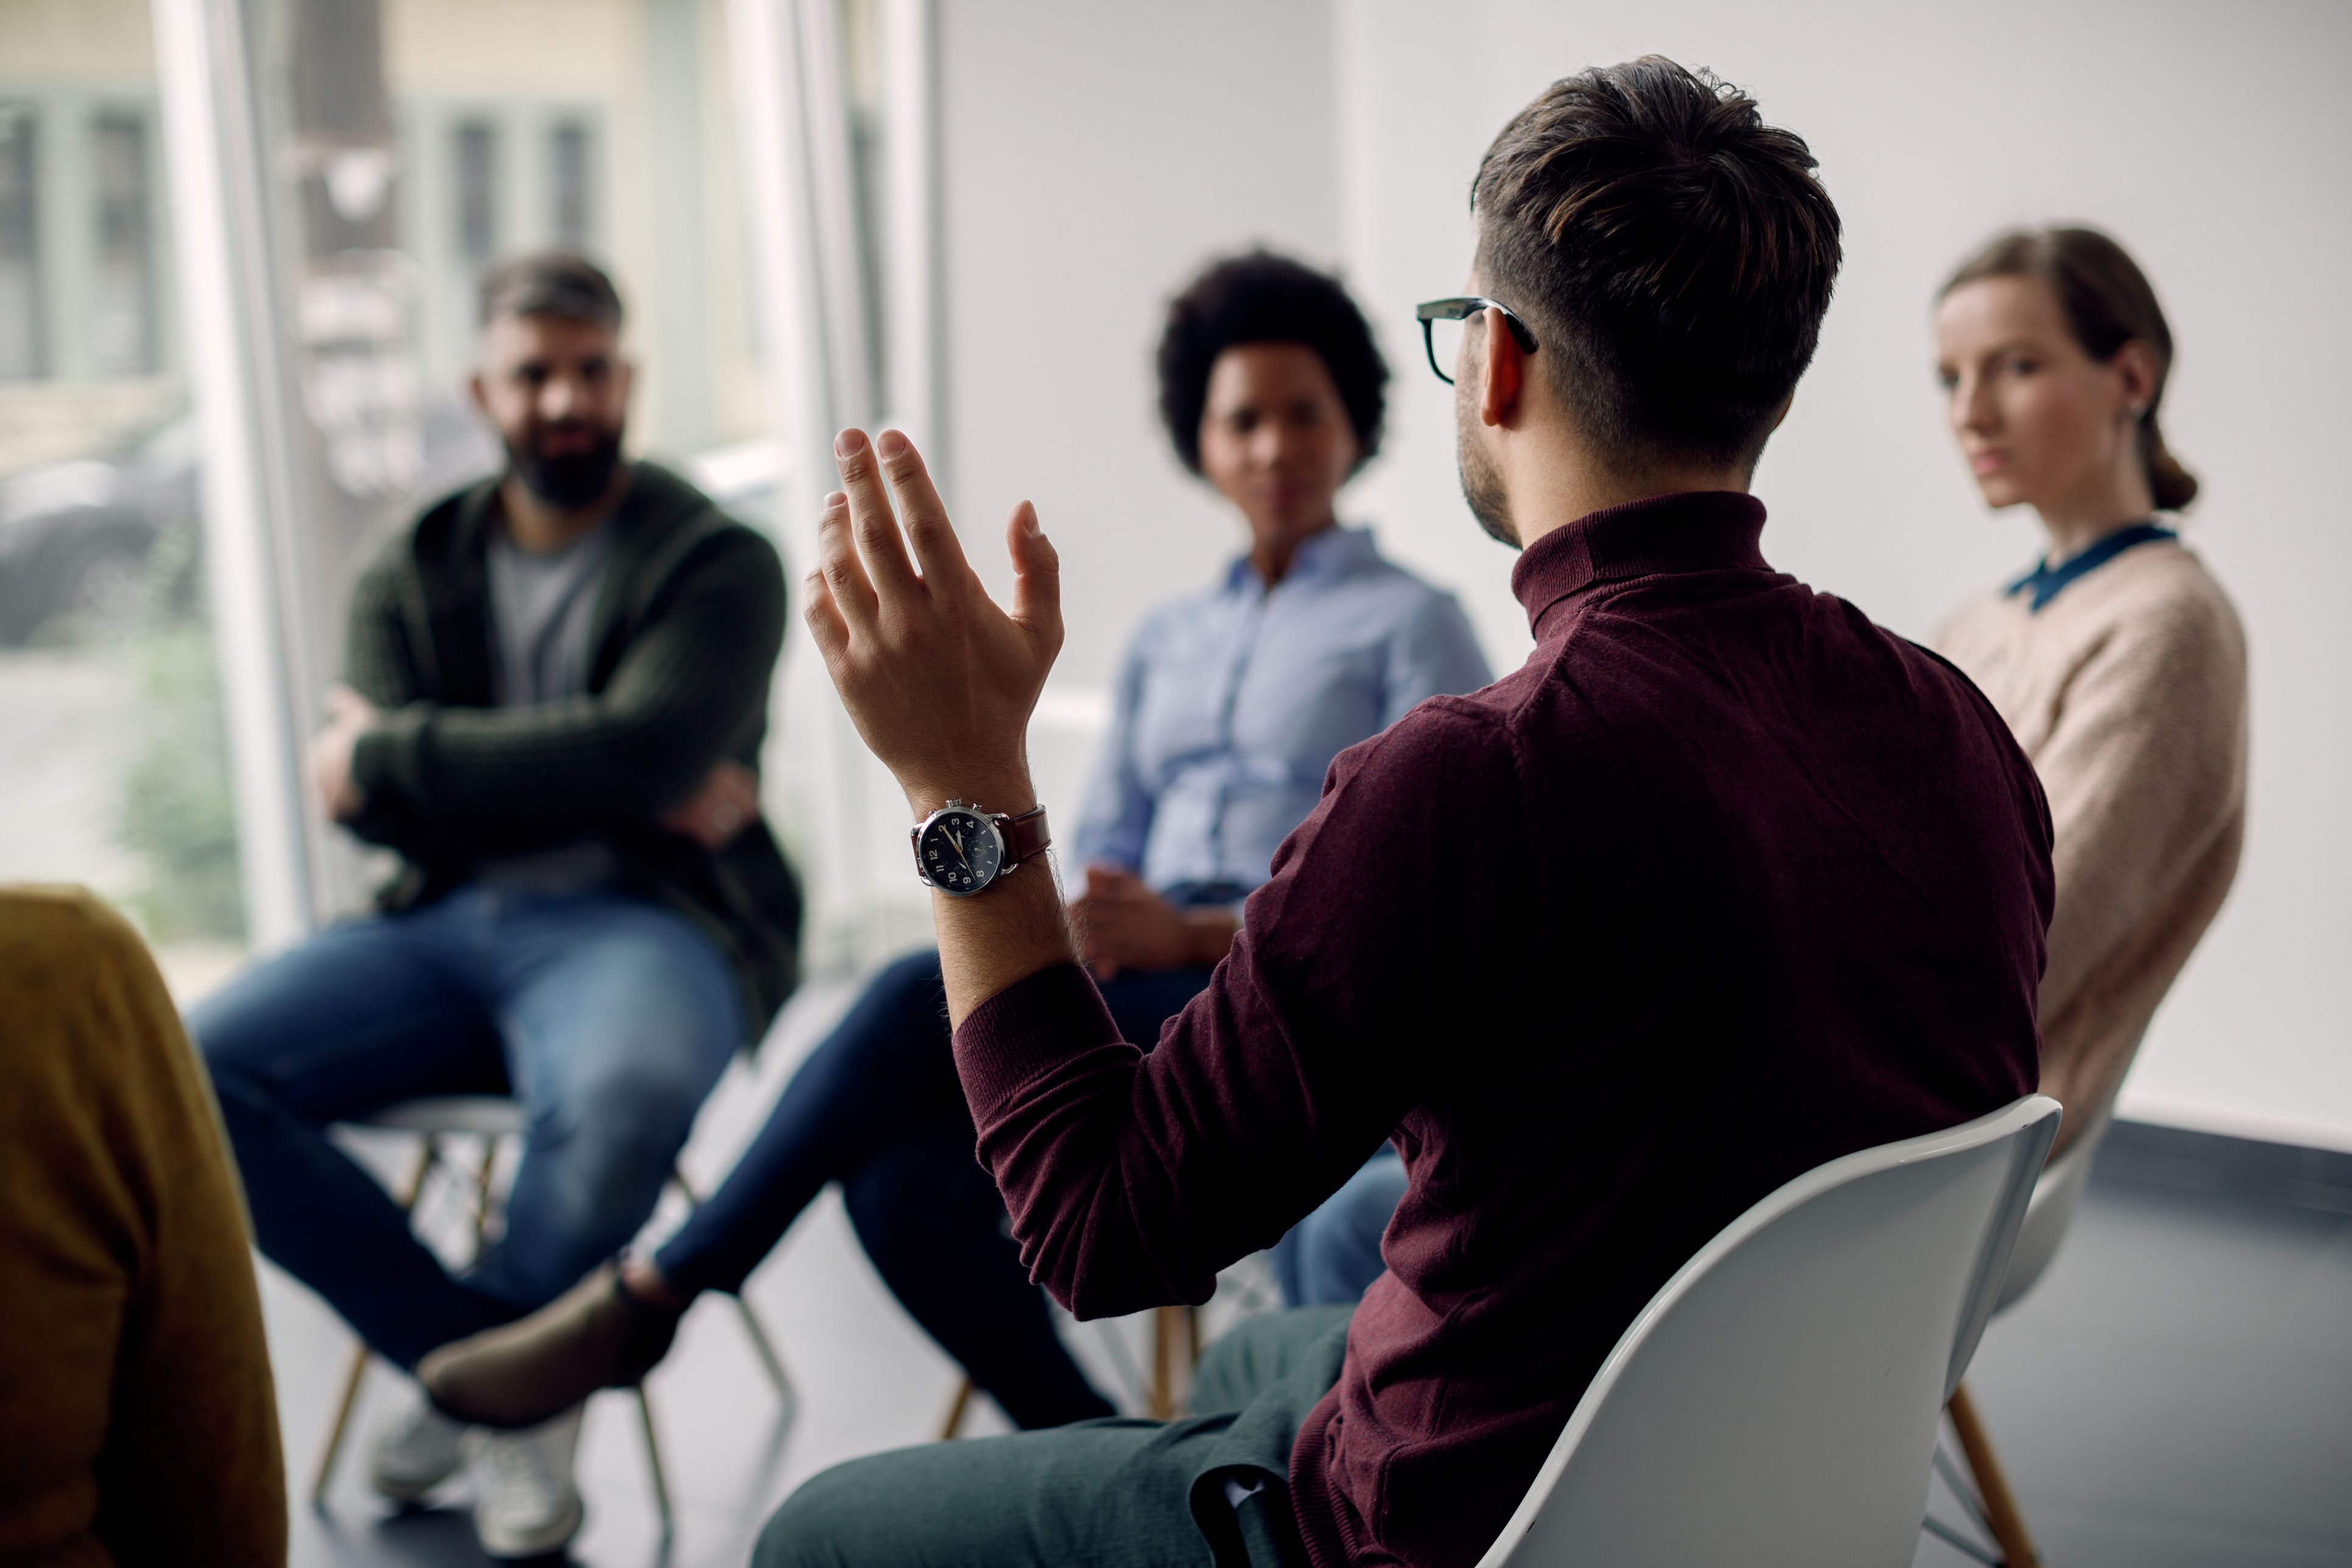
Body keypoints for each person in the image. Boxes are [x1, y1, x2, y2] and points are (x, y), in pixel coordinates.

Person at [756, 54, 2053, 1568]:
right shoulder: (1955, 726)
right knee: (1257, 1359)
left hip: (1455, 1530)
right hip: (1772, 1495)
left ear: (1494, 364)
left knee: (819, 1533)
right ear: (1770, 384)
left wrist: (958, 786)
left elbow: (1099, 1231)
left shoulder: (1473, 781)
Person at [417, 251, 1493, 1436]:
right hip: (1137, 968)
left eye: (1305, 414)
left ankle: (655, 1292)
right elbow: (1104, 842)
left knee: (894, 998)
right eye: (1245, 419)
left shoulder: (1413, 620)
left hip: (1280, 980)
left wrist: (1192, 928)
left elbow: (1421, 888)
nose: (1277, 447)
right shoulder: (1166, 638)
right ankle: (1090, 1445)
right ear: (1204, 439)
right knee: (899, 1180)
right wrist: (1091, 923)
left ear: (1357, 427)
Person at [191, 253, 800, 1559]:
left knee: (627, 1095)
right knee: (188, 1069)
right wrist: (607, 765)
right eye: (535, 373)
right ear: (483, 390)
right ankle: (492, 1378)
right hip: (437, 922)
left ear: (627, 378)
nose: (566, 397)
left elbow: (621, 753)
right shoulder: (408, 562)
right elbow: (387, 808)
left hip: (650, 921)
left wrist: (408, 752)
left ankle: (477, 1390)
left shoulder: (720, 561)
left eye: (592, 369)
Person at [1933, 226, 2247, 1159]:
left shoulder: (2168, 626)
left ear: (2133, 380)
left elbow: (2021, 957)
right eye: (1950, 379)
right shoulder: (1976, 624)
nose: (1972, 413)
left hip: (1955, 1142)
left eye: (2017, 366)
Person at [0, 887, 285, 1567]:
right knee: (228, 1066)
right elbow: (223, 1518)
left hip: (571, 927)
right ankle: (454, 1352)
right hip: (421, 920)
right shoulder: (56, 962)